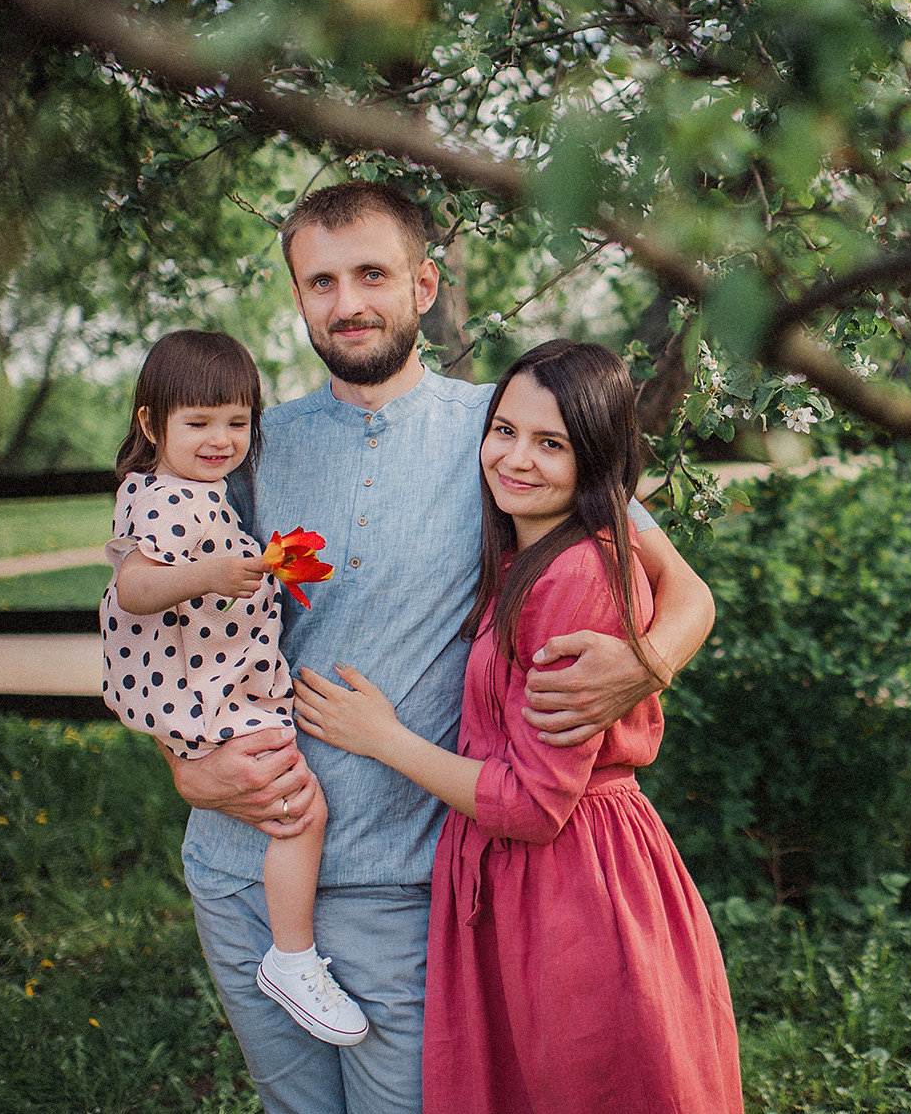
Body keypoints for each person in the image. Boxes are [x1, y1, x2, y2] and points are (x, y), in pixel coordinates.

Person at [159, 182, 717, 1114]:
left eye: (372, 274)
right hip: (239, 867)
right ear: (298, 297)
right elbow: (156, 625)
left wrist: (647, 662)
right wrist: (183, 763)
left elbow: (685, 588)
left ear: (423, 284)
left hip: (402, 882)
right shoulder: (249, 447)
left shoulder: (504, 434)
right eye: (322, 281)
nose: (348, 302)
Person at [295, 340, 743, 1113]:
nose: (516, 458)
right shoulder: (526, 556)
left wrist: (382, 737)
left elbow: (534, 803)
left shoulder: (577, 574)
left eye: (551, 443)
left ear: (596, 459)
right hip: (531, 883)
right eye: (504, 430)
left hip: (574, 890)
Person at [101, 329, 368, 1046]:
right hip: (204, 693)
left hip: (220, 679)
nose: (221, 439)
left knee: (293, 806)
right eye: (198, 423)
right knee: (301, 810)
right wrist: (211, 573)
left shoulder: (202, 490)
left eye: (237, 422)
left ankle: (291, 954)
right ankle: (292, 958)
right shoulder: (157, 497)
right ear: (150, 423)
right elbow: (134, 587)